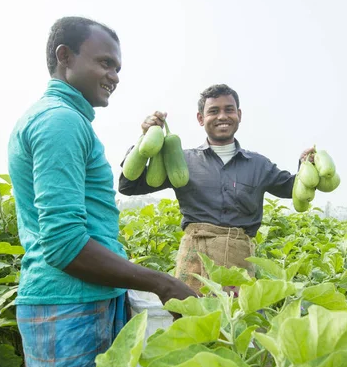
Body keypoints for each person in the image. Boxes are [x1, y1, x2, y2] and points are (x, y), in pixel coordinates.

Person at [7, 16, 196, 367]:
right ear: (66, 56)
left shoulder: (63, 119)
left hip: (80, 300)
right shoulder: (59, 121)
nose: (115, 75)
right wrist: (163, 283)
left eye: (118, 67)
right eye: (104, 62)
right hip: (69, 305)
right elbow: (64, 245)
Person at [118, 84, 314, 294]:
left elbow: (293, 189)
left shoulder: (259, 164)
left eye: (229, 110)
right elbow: (129, 186)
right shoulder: (181, 161)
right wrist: (145, 139)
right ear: (201, 118)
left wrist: (306, 165)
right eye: (213, 111)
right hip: (194, 260)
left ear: (238, 115)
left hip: (239, 263)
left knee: (238, 323)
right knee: (191, 321)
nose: (222, 116)